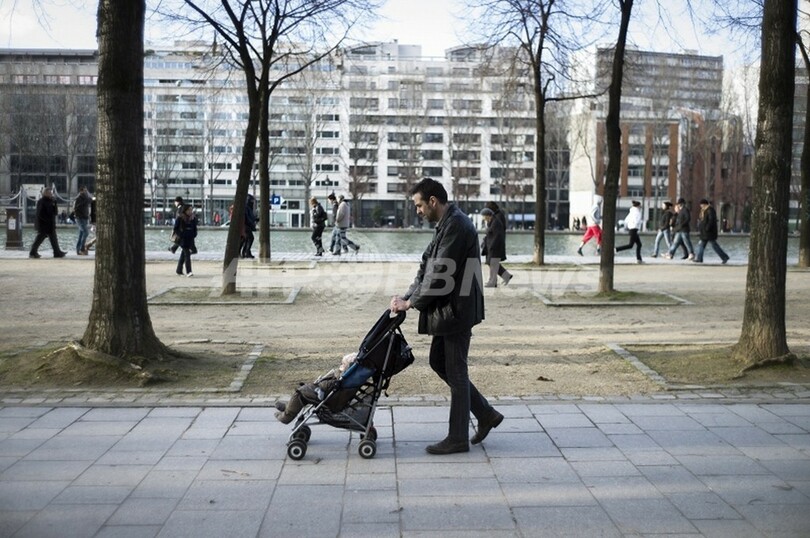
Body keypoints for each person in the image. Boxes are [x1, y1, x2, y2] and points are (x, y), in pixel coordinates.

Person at [389, 177, 502, 455]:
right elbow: (426, 266)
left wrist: (411, 303)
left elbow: (439, 275)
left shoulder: (456, 225)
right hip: (451, 308)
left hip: (457, 310)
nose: (417, 211)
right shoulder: (446, 224)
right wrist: (407, 296)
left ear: (432, 202)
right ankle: (485, 414)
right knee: (440, 361)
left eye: (418, 206)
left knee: (455, 370)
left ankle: (458, 438)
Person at [274, 352, 358, 424]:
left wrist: (336, 373)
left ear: (348, 367)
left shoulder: (341, 377)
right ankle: (288, 407)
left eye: (343, 364)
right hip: (324, 392)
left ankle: (286, 417)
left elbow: (327, 386)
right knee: (303, 390)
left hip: (325, 396)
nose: (341, 366)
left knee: (300, 393)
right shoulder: (344, 376)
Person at [480, 204, 513, 287]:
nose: (483, 218)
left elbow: (497, 236)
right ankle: (504, 276)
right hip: (491, 247)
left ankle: (493, 281)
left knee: (493, 264)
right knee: (492, 264)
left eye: (483, 216)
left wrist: (492, 246)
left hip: (495, 248)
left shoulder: (495, 222)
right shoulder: (491, 222)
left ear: (487, 215)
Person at [29, 188, 67, 259]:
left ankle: (57, 252)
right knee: (39, 238)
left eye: (51, 193)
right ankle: (33, 252)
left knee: (54, 239)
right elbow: (40, 213)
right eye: (49, 193)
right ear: (44, 193)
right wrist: (45, 221)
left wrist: (55, 203)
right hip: (43, 224)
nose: (50, 194)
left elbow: (55, 212)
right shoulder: (41, 201)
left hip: (50, 224)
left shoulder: (51, 201)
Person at [694, 198, 729, 264]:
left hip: (709, 232)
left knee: (714, 246)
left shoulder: (710, 210)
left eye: (701, 205)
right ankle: (699, 258)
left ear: (704, 204)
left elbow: (711, 220)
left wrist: (707, 228)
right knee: (702, 245)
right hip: (705, 232)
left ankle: (724, 257)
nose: (700, 206)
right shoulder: (704, 210)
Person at [174, 204, 198, 277]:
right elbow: (175, 228)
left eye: (191, 210)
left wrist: (194, 234)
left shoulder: (193, 218)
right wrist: (181, 235)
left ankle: (179, 270)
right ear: (185, 210)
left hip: (190, 239)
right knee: (187, 254)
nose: (190, 211)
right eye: (189, 210)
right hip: (183, 239)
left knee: (183, 255)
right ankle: (189, 271)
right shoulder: (180, 218)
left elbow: (194, 228)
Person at [73, 186, 92, 255]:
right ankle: (82, 248)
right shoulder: (78, 198)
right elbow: (76, 208)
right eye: (84, 191)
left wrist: (88, 196)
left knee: (81, 234)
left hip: (85, 218)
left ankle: (78, 250)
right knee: (85, 232)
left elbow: (91, 200)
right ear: (80, 191)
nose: (86, 192)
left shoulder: (86, 198)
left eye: (86, 191)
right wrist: (86, 200)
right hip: (79, 218)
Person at [241, 193, 256, 258]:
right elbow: (247, 218)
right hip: (246, 226)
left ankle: (246, 252)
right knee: (250, 238)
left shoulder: (248, 208)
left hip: (247, 226)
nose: (252, 203)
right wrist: (251, 223)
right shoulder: (246, 208)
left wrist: (255, 219)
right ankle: (246, 252)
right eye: (251, 201)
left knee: (247, 239)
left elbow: (251, 217)